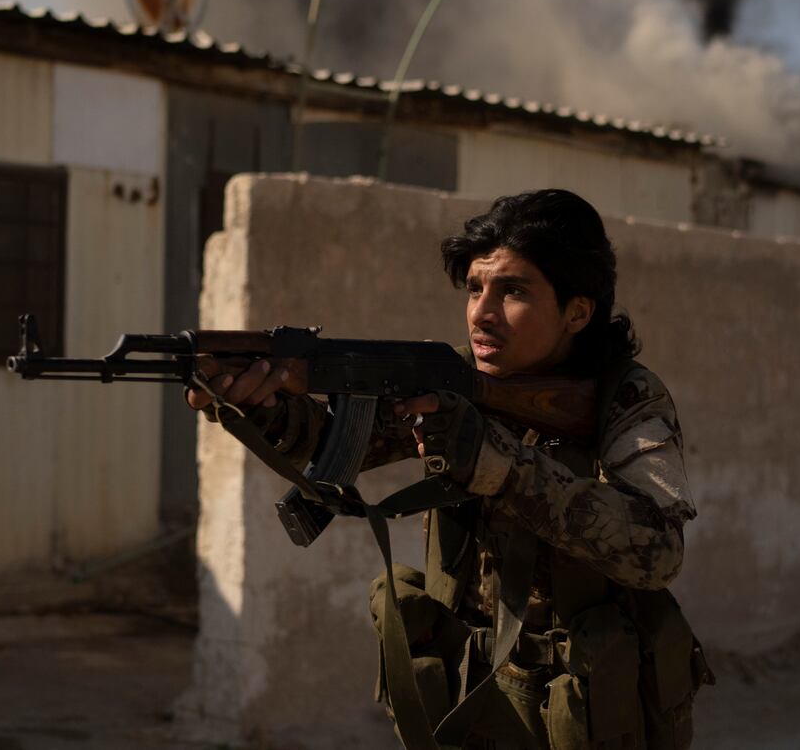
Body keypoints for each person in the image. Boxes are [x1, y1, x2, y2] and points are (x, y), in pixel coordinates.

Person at [186, 189, 710, 749]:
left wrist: (496, 463)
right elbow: (343, 449)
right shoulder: (456, 379)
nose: (482, 314)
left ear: (577, 311)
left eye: (513, 292)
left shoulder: (625, 397)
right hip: (467, 692)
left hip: (583, 704)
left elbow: (657, 550)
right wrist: (262, 408)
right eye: (475, 288)